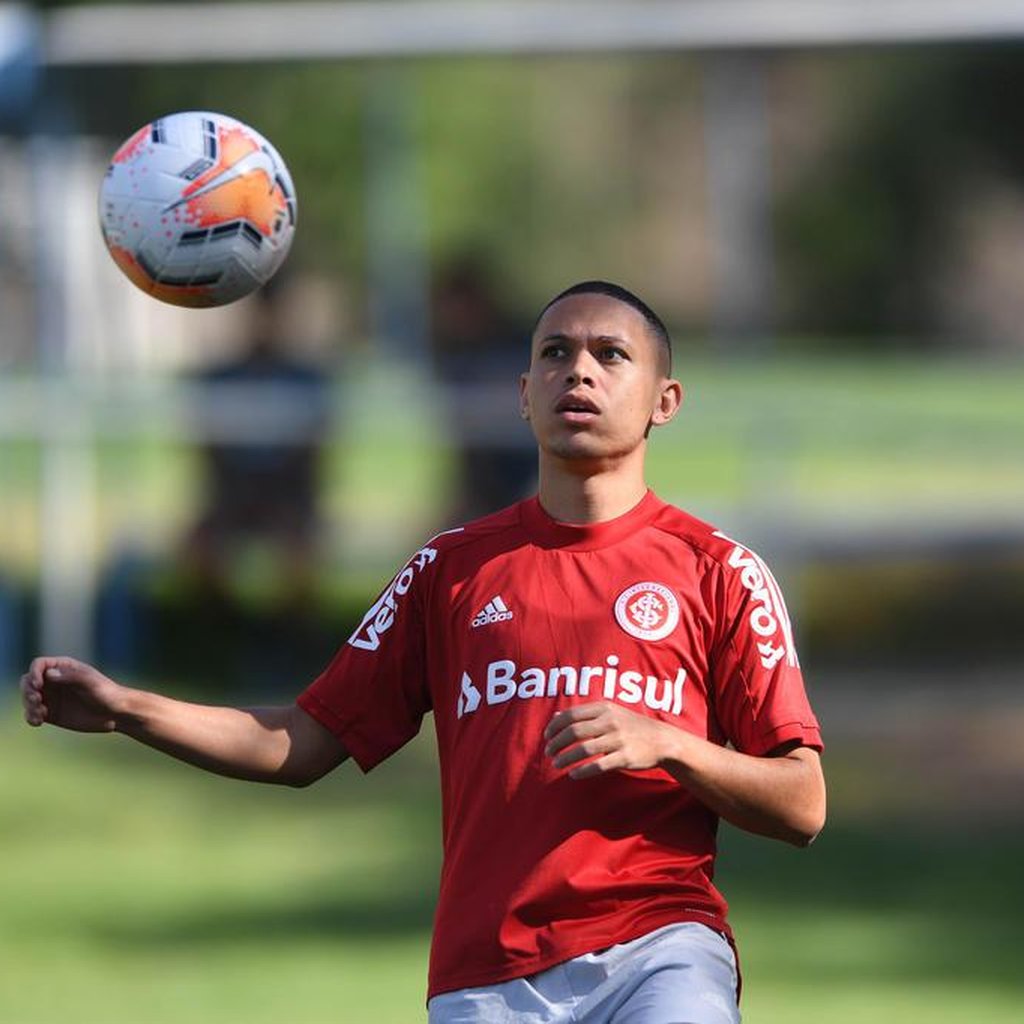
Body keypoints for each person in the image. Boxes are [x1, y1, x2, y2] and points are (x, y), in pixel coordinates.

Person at [21, 281, 825, 1024]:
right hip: (487, 976)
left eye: (610, 355)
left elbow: (802, 803)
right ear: (521, 395)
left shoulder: (718, 571)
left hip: (661, 951)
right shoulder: (451, 571)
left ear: (665, 400)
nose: (578, 372)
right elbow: (301, 741)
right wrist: (129, 709)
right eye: (554, 353)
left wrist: (670, 744)